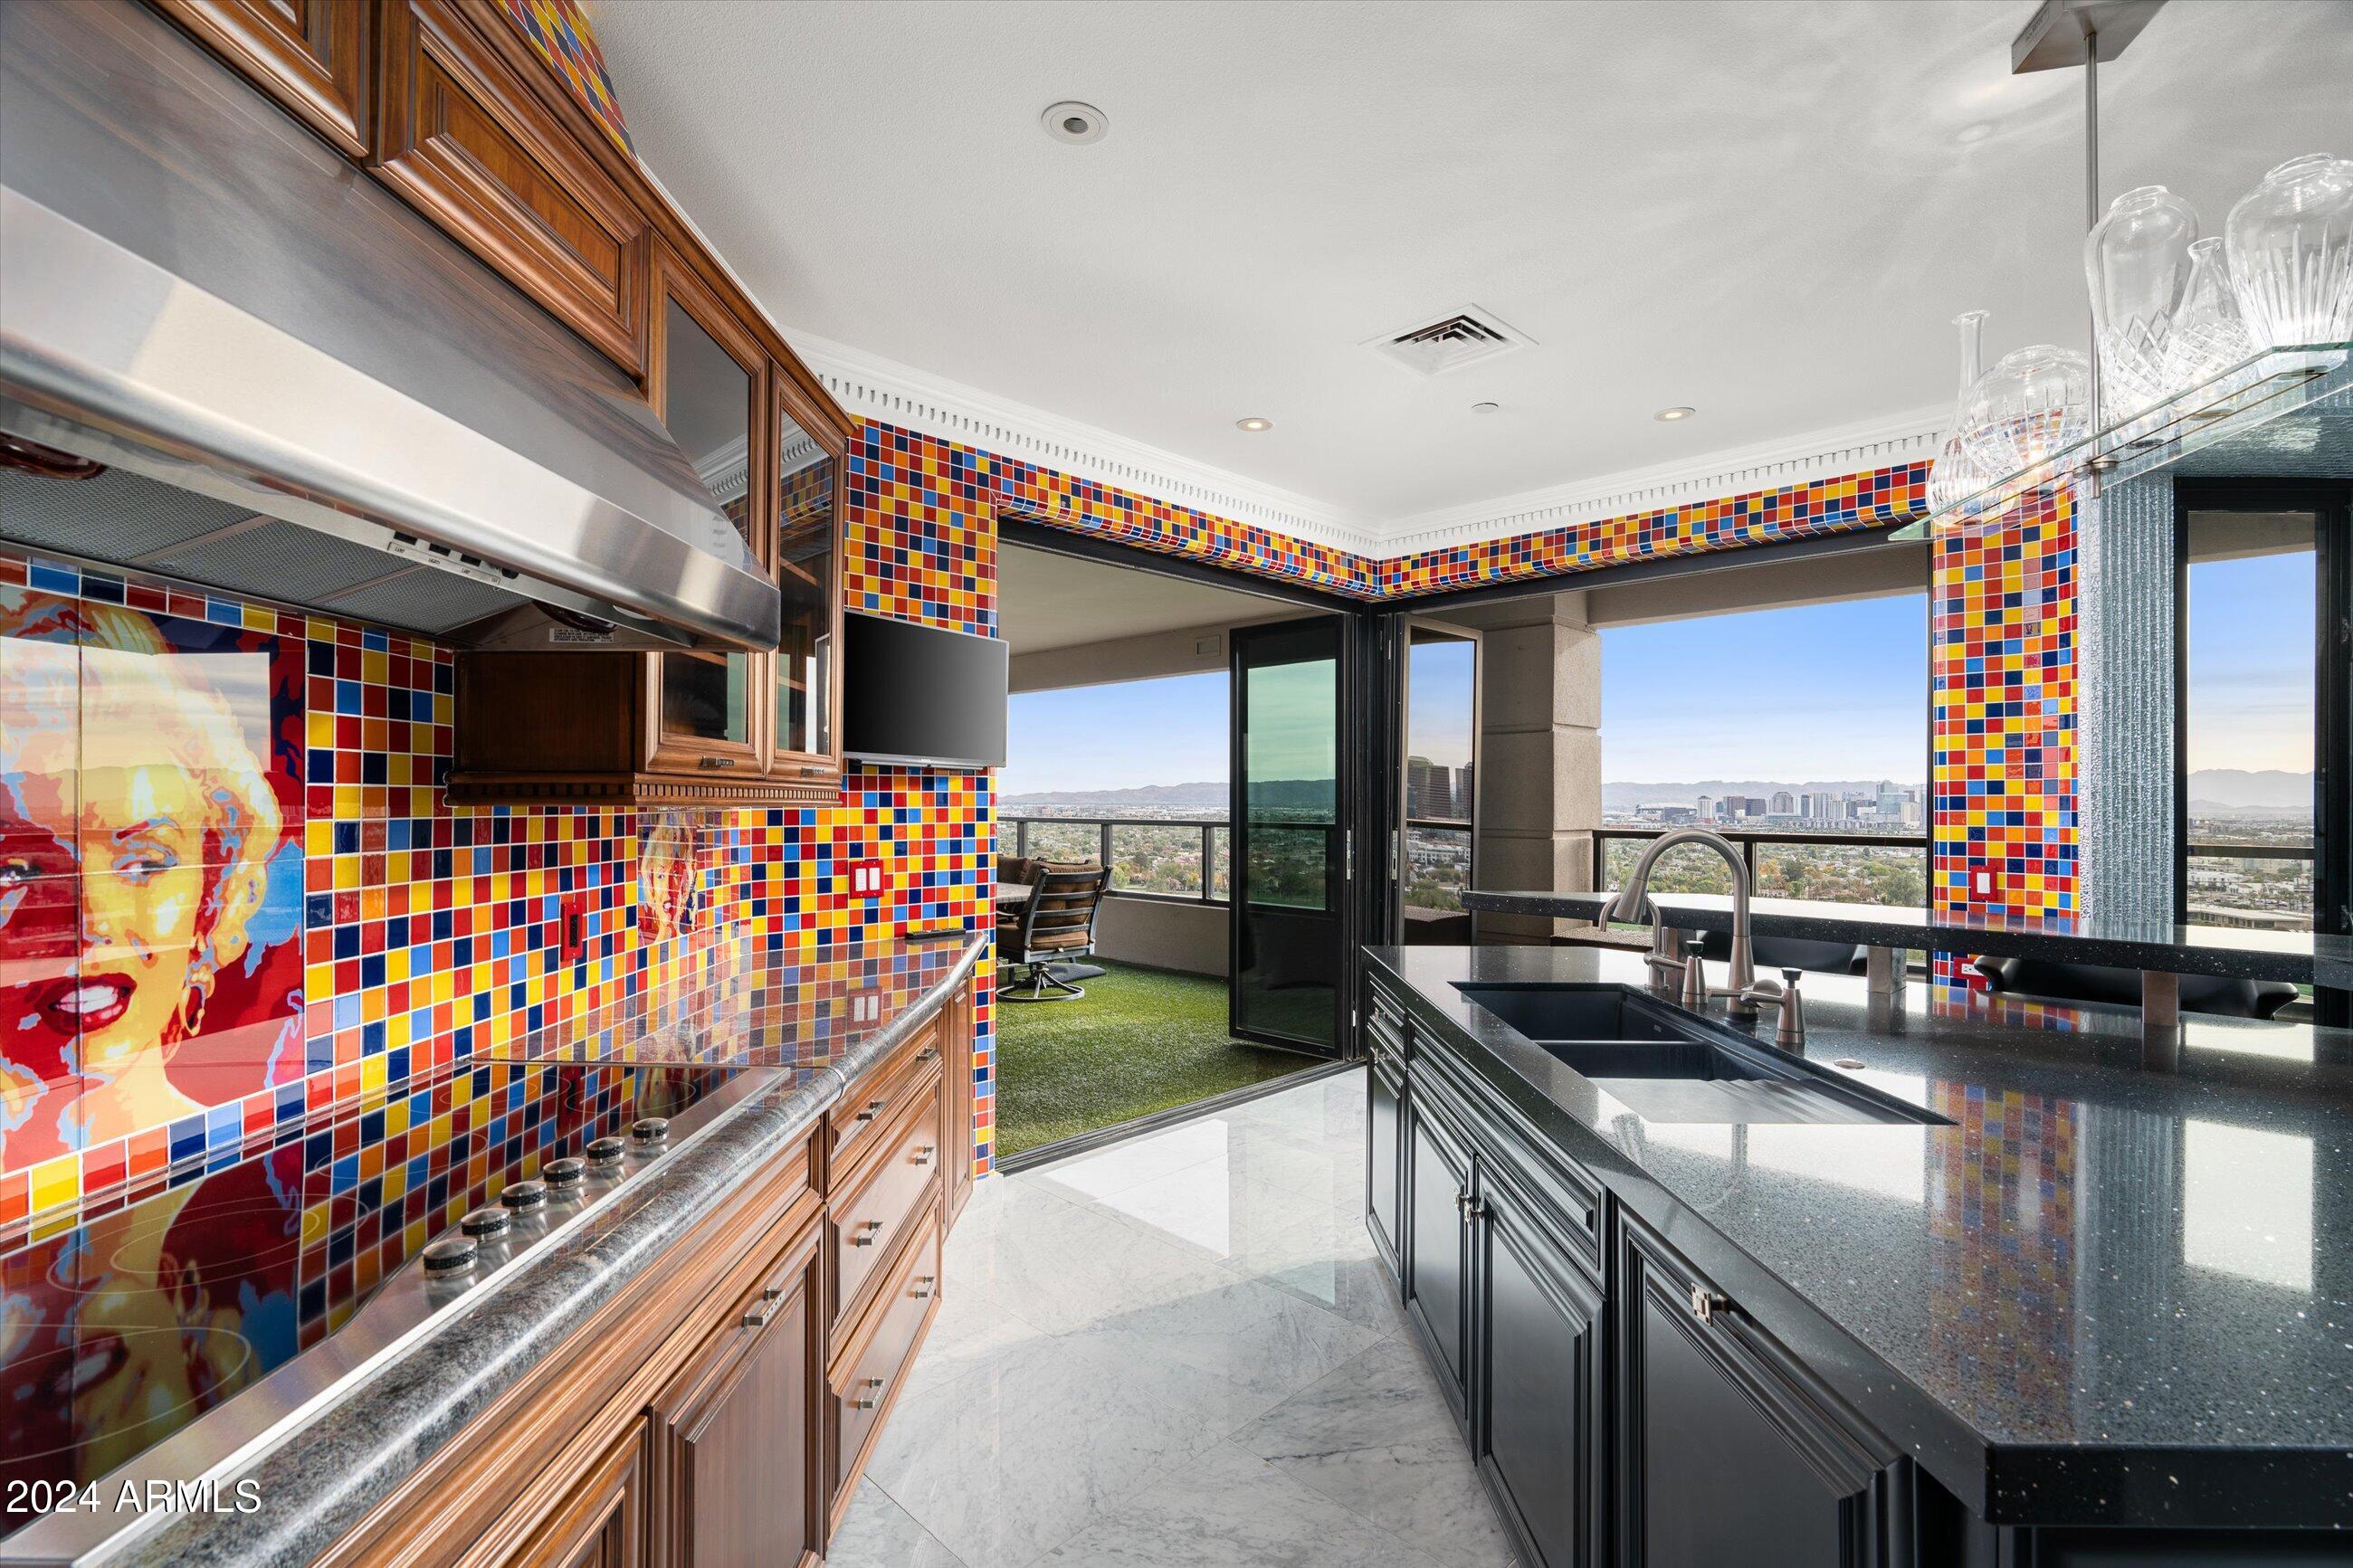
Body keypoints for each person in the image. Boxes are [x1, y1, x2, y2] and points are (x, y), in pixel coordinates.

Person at [1, 592, 284, 1161]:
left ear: (211, 897)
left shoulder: (252, 1175)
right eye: (18, 870)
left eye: (145, 864)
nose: (92, 920)